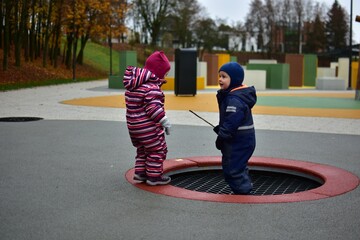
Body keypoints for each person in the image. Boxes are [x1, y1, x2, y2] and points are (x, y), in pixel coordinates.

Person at [123, 51, 172, 186]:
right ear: (158, 72)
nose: (166, 76)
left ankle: (141, 173)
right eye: (165, 73)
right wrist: (165, 121)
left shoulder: (134, 86)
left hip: (134, 127)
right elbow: (153, 108)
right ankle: (154, 177)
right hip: (148, 127)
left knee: (143, 149)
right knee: (157, 149)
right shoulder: (152, 88)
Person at [213, 62, 257, 195]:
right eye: (219, 76)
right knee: (237, 165)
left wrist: (222, 136)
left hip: (238, 142)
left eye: (224, 76)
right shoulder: (232, 95)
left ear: (235, 79)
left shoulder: (235, 100)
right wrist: (222, 129)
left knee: (232, 168)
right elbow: (231, 121)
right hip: (241, 139)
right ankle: (244, 185)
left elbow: (232, 122)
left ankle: (243, 193)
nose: (220, 79)